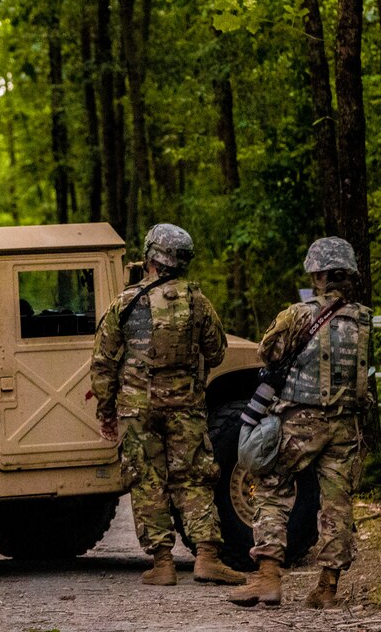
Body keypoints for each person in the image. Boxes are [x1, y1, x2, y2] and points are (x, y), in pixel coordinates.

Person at [91, 224, 245, 586]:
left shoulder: (125, 303)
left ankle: (162, 563)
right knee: (193, 478)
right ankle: (207, 556)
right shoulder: (197, 302)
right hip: (185, 407)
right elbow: (218, 352)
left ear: (150, 258)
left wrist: (106, 411)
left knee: (146, 481)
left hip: (137, 408)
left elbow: (103, 363)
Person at [230, 237, 373, 608]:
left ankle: (268, 578)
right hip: (347, 426)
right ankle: (326, 587)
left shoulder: (300, 313)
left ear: (319, 274)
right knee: (337, 503)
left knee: (273, 486)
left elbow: (267, 351)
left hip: (301, 420)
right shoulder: (362, 318)